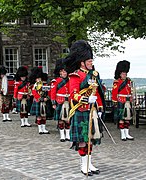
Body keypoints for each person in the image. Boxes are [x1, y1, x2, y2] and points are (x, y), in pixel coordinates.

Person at [65, 40, 105, 176]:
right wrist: (87, 99)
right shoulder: (75, 76)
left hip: (91, 111)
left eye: (91, 60)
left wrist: (99, 108)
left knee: (91, 138)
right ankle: (84, 165)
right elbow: (73, 94)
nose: (91, 62)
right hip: (80, 110)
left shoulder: (93, 75)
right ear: (82, 62)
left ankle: (90, 163)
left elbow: (97, 93)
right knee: (82, 139)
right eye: (89, 60)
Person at [112, 60, 134, 141]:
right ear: (120, 74)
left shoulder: (129, 81)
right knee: (121, 118)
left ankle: (127, 133)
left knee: (127, 118)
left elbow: (130, 91)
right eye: (123, 74)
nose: (124, 75)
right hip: (121, 100)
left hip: (128, 101)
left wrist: (132, 98)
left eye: (125, 74)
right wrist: (114, 101)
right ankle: (122, 134)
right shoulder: (117, 82)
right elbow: (114, 92)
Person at [51, 59, 70, 142]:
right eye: (63, 72)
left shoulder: (70, 80)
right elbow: (53, 93)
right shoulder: (56, 81)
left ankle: (68, 135)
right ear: (60, 72)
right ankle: (62, 135)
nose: (64, 73)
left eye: (65, 72)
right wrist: (53, 103)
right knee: (61, 120)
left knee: (68, 119)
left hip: (68, 101)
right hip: (60, 101)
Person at [30, 67, 50, 134]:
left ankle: (44, 128)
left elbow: (48, 92)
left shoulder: (45, 84)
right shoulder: (35, 85)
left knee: (44, 116)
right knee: (39, 116)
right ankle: (40, 129)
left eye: (39, 78)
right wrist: (39, 98)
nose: (38, 79)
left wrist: (46, 98)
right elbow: (34, 92)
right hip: (38, 101)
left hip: (44, 101)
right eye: (37, 78)